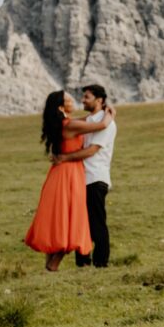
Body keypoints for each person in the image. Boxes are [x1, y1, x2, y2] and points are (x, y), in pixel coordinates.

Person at [24, 90, 115, 271]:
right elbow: (102, 125)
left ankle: (50, 266)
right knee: (71, 218)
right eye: (68, 100)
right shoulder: (70, 125)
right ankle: (54, 264)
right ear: (61, 106)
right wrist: (109, 112)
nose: (73, 101)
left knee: (59, 217)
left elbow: (87, 119)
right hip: (70, 173)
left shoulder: (64, 124)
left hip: (59, 173)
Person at [53, 84, 117, 268]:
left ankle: (101, 262)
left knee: (97, 223)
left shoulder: (108, 123)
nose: (82, 100)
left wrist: (65, 157)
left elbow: (92, 150)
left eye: (87, 97)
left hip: (96, 177)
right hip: (82, 178)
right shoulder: (90, 120)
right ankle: (82, 262)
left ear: (99, 100)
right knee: (81, 223)